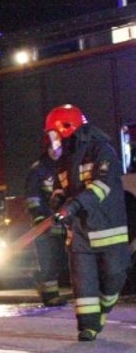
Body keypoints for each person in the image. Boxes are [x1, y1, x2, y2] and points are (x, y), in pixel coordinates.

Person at [46, 105, 130, 341]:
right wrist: (57, 202)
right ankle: (88, 327)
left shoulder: (102, 151)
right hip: (79, 233)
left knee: (114, 276)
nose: (52, 140)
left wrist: (72, 206)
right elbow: (60, 189)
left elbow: (101, 187)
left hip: (107, 228)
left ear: (67, 127)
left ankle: (103, 309)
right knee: (83, 285)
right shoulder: (63, 160)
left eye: (53, 133)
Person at [23, 142, 67, 306]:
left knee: (60, 260)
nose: (55, 152)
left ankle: (40, 279)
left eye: (58, 148)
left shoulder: (65, 168)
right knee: (48, 260)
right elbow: (32, 198)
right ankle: (50, 297)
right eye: (51, 148)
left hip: (61, 223)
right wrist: (40, 219)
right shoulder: (38, 170)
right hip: (44, 224)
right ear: (46, 149)